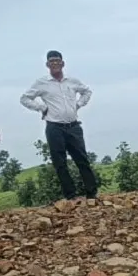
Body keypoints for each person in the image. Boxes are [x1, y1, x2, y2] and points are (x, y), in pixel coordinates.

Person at [20, 50, 98, 200]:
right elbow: (25, 98)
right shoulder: (42, 83)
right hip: (55, 127)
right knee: (60, 163)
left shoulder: (72, 81)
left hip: (73, 126)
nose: (55, 63)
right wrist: (41, 108)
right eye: (51, 61)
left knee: (82, 159)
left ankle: (92, 193)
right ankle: (71, 196)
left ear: (62, 63)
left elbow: (87, 91)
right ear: (47, 64)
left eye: (57, 60)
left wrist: (78, 105)